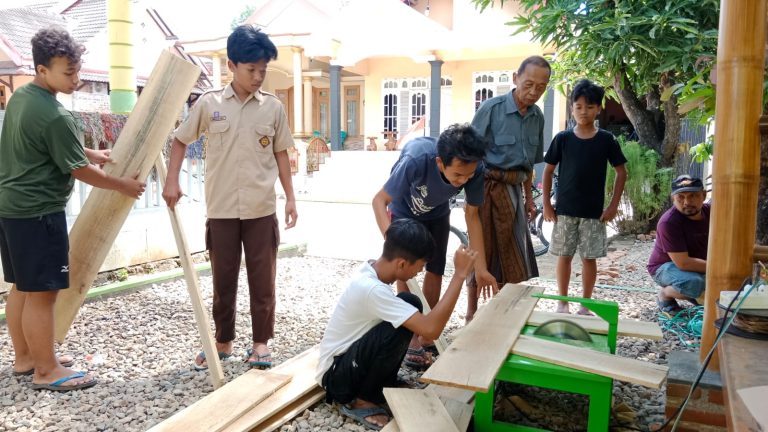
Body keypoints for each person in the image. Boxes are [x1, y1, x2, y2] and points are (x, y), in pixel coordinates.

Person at [0, 26, 146, 391]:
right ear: (41, 69)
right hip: (38, 213)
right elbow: (79, 170)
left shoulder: (21, 99)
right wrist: (124, 186)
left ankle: (27, 357)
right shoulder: (54, 115)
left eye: (77, 70)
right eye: (68, 72)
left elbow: (45, 148)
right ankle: (47, 372)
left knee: (21, 287)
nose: (76, 79)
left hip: (11, 210)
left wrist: (93, 152)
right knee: (43, 294)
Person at [162, 25, 297, 369]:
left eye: (263, 71)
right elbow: (180, 140)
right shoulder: (209, 105)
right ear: (232, 66)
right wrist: (172, 181)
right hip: (221, 209)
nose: (258, 77)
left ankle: (261, 344)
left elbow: (282, 154)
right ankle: (222, 343)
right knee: (223, 280)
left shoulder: (273, 108)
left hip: (261, 209)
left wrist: (291, 199)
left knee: (262, 280)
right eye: (251, 70)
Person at [316, 219, 476, 430]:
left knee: (409, 303)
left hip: (347, 363)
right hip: (337, 380)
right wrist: (460, 275)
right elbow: (431, 330)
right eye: (419, 267)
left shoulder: (372, 269)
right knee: (398, 326)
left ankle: (382, 384)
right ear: (401, 263)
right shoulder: (372, 289)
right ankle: (361, 400)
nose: (419, 273)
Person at [371, 123, 497, 368]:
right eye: (458, 175)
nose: (463, 181)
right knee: (406, 271)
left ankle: (425, 332)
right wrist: (394, 241)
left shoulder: (474, 168)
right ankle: (410, 334)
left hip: (437, 213)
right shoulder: (417, 159)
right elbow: (379, 200)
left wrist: (480, 268)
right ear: (440, 163)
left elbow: (473, 216)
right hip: (404, 210)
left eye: (468, 176)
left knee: (435, 269)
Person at [469, 55, 551, 319]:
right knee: (482, 252)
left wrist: (529, 200)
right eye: (528, 84)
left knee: (512, 254)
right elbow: (470, 153)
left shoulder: (537, 117)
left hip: (514, 193)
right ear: (515, 78)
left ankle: (501, 313)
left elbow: (529, 166)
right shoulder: (491, 109)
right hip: (486, 190)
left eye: (541, 87)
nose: (533, 92)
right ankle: (471, 313)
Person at [542, 79, 627, 315]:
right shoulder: (563, 138)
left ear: (598, 108)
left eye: (589, 107)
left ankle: (586, 304)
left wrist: (612, 207)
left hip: (594, 213)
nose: (584, 111)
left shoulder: (606, 140)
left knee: (589, 259)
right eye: (578, 106)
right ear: (572, 108)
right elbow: (548, 170)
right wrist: (547, 205)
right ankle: (562, 302)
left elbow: (621, 172)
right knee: (564, 257)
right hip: (565, 210)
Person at [647, 175, 709, 316]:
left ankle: (697, 295)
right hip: (664, 267)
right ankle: (665, 294)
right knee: (695, 283)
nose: (687, 202)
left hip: (696, 264)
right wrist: (719, 268)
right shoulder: (669, 223)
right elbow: (683, 263)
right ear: (673, 199)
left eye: (693, 195)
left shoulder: (711, 213)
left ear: (704, 195)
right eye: (681, 197)